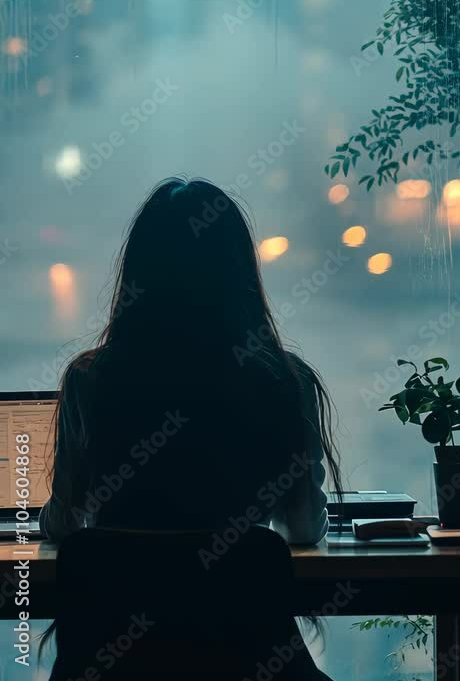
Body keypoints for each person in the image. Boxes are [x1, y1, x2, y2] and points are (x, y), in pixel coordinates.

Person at [41, 178, 342, 677]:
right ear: (240, 273)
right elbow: (304, 528)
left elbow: (64, 525)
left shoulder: (90, 381)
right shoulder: (283, 382)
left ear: (137, 274)